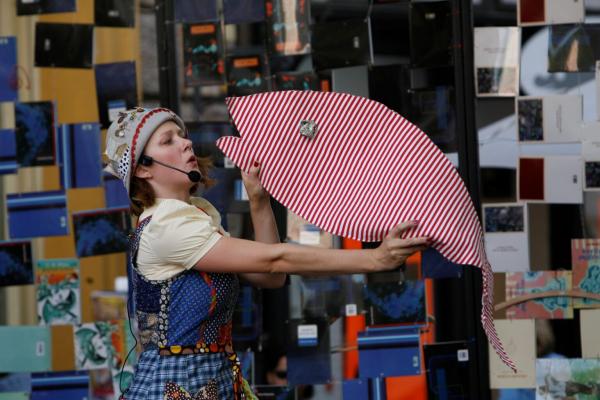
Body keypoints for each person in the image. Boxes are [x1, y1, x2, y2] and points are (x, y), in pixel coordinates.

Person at [104, 107, 431, 399]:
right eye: (168, 141)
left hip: (215, 379)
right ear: (143, 169)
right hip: (176, 386)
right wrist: (375, 259)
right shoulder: (166, 227)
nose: (186, 143)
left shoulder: (193, 215)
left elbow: (270, 277)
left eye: (181, 135)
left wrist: (258, 200)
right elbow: (274, 259)